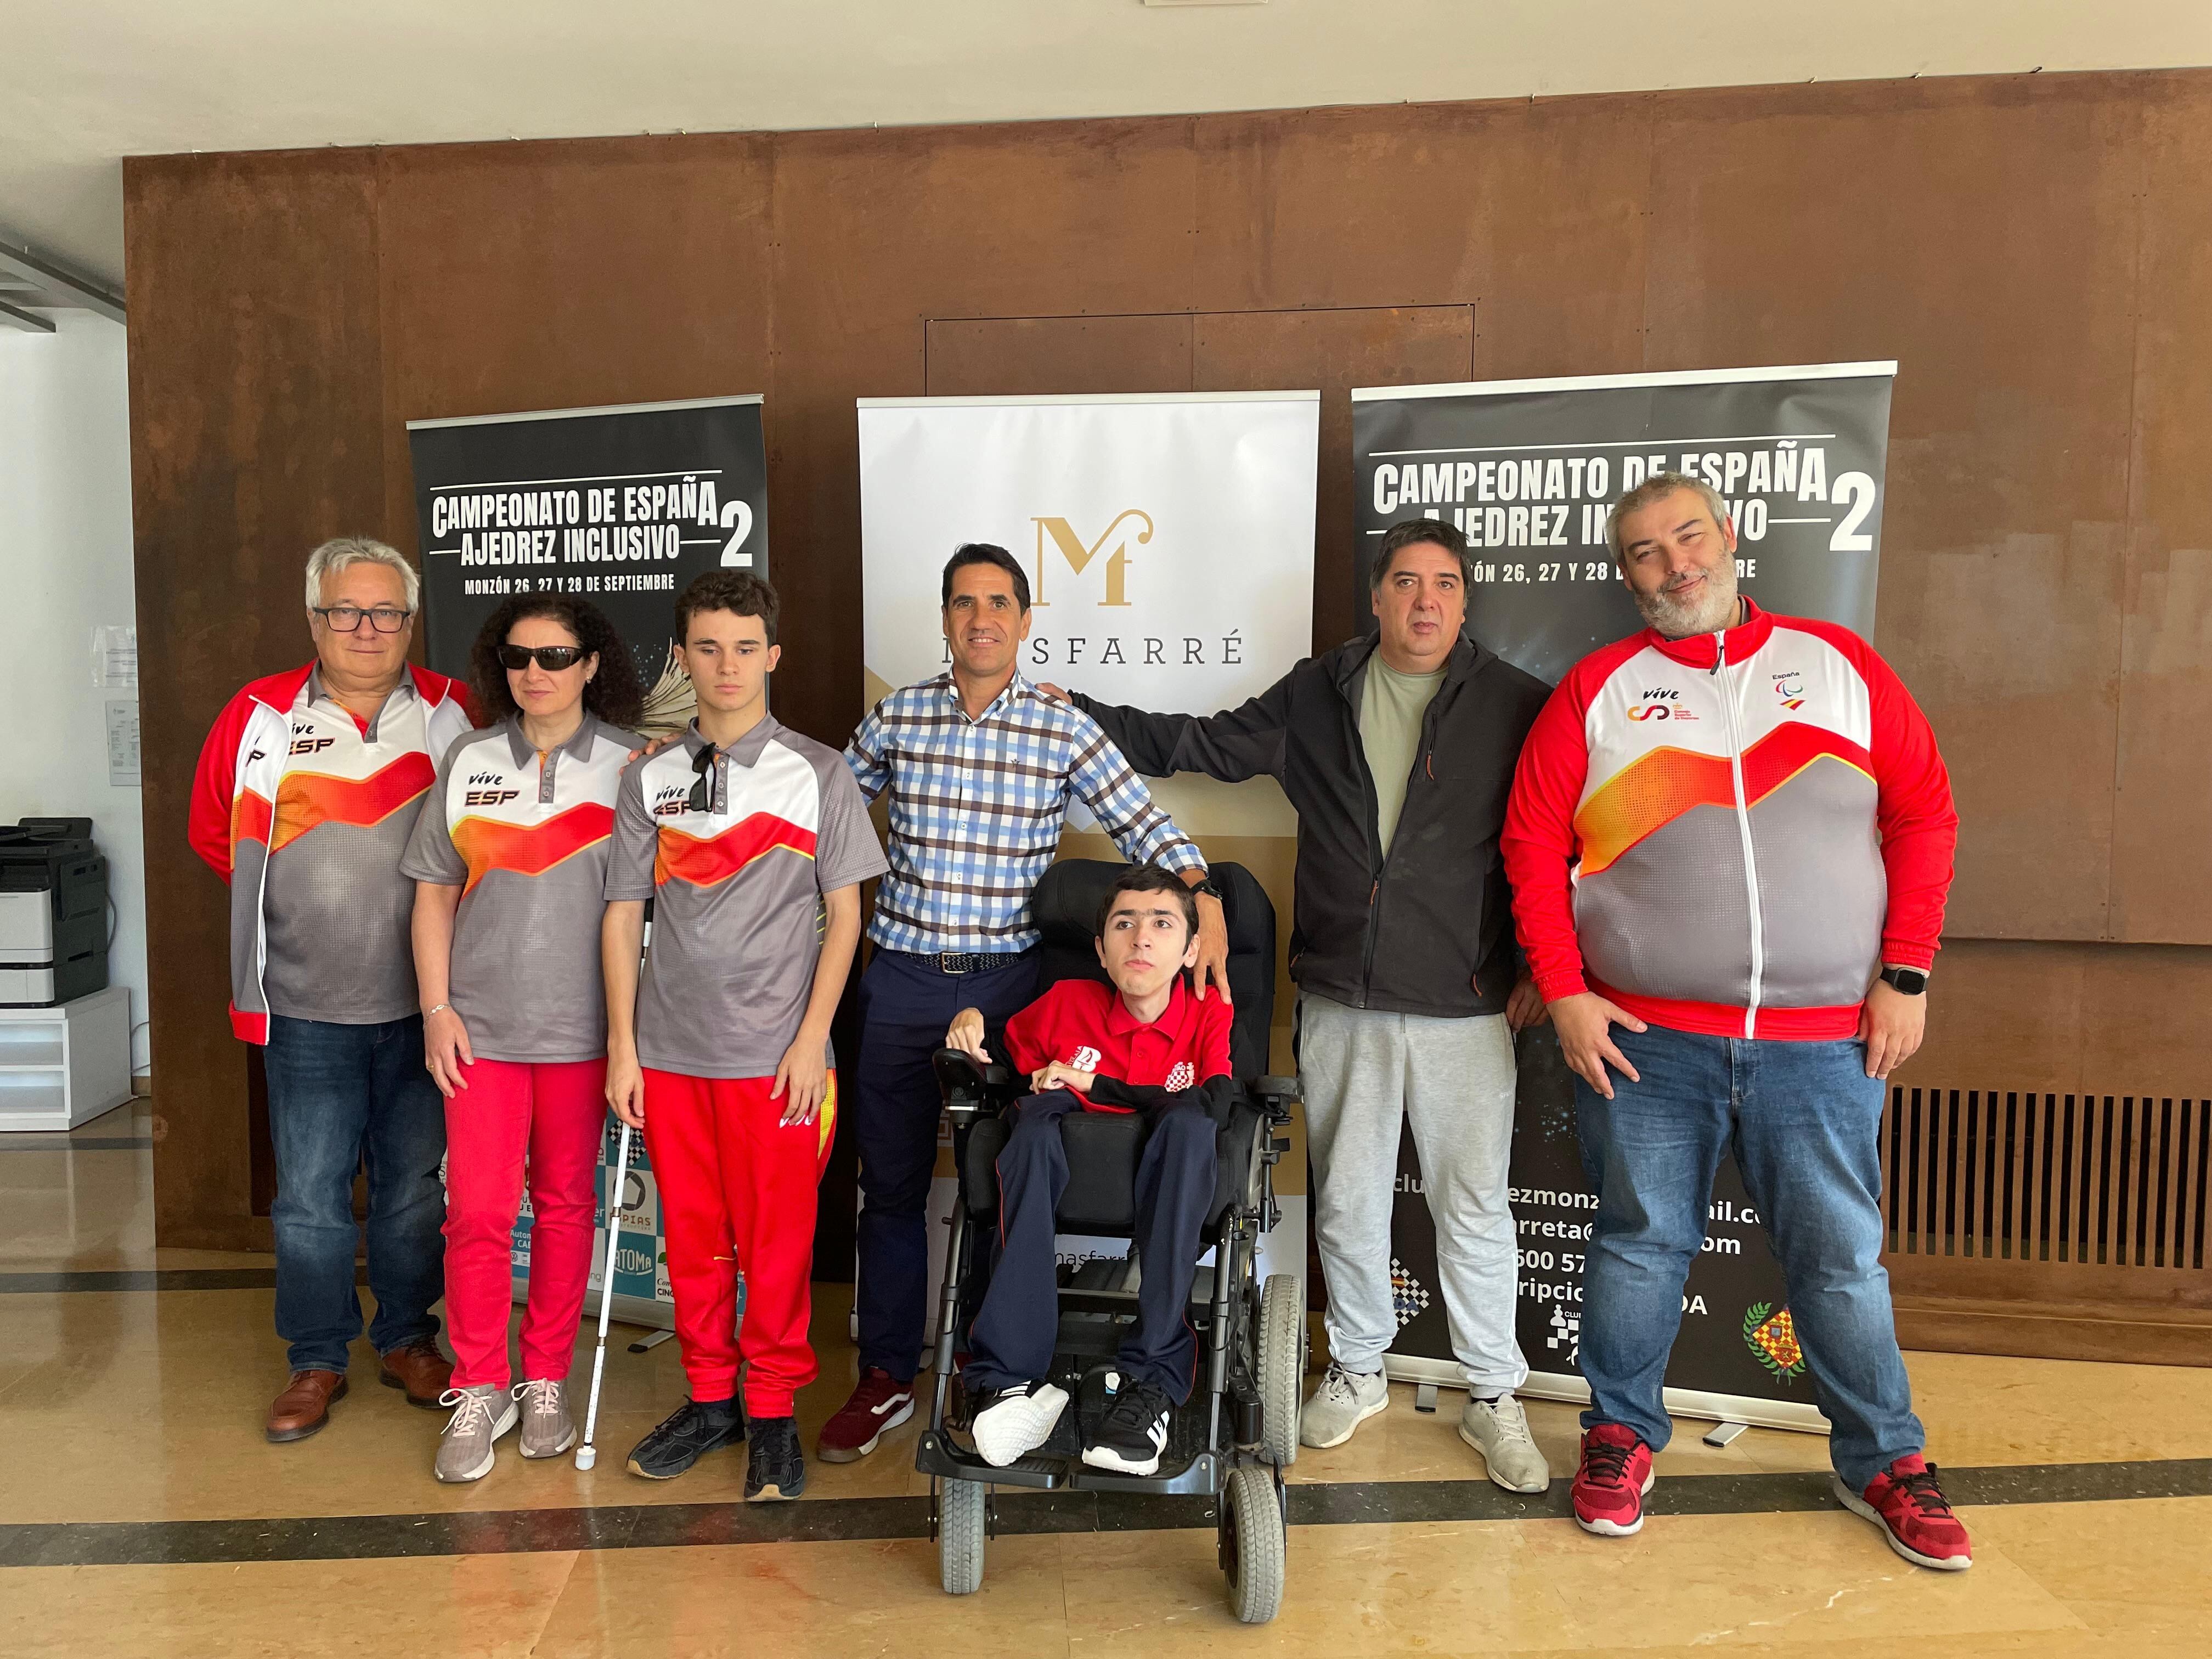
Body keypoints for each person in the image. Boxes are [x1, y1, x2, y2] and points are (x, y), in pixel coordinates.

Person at [1502, 472, 1969, 1568]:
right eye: (1647, 554)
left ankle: (1884, 1462)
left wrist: (1906, 973)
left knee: (1840, 1261)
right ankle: (1618, 1437)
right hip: (1646, 1044)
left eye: (1690, 538)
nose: (1676, 567)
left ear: (1731, 537)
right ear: (1625, 577)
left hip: (1825, 1046)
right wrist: (1565, 992)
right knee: (1638, 1244)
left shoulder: (1836, 667)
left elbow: (1925, 812)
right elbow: (1532, 845)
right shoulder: (1598, 691)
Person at [1053, 518, 1554, 1492]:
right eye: (1405, 581)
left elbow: (1555, 840)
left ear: (1464, 600)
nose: (1424, 600)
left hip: (1463, 1005)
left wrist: (1547, 966)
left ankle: (1495, 1392)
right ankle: (1359, 1366)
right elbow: (1201, 743)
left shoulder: (1516, 705)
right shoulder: (1319, 693)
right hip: (1341, 995)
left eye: (1444, 583)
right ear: (1375, 596)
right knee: (1350, 1198)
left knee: (1473, 1206)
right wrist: (1081, 712)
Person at [821, 543, 1227, 1465]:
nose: (981, 618)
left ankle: (985, 1370)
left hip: (1007, 987)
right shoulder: (898, 715)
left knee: (1000, 1179)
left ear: (1025, 619)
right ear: (944, 618)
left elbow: (1142, 820)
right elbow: (824, 811)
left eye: (999, 602)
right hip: (902, 974)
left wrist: (1201, 892)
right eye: (964, 602)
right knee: (886, 1186)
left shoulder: (1059, 724)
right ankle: (887, 1373)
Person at [602, 571, 887, 1501]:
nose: (726, 665)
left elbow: (844, 919)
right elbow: (622, 913)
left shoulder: (818, 771)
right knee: (691, 1242)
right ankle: (710, 1397)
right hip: (671, 1056)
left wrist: (812, 1040)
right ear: (684, 656)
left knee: (774, 1247)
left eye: (744, 646)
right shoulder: (649, 775)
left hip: (777, 1062)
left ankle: (771, 1414)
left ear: (774, 653)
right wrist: (622, 1045)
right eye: (707, 647)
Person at [188, 537, 472, 1442]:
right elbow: (212, 834)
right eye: (345, 610)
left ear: (409, 621)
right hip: (302, 1006)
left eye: (384, 611)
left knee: (414, 1186)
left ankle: (404, 1337)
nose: (365, 627)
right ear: (314, 617)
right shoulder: (257, 715)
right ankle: (315, 1356)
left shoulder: (454, 712)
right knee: (309, 1192)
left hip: (426, 1006)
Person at [400, 595, 644, 1482]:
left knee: (569, 1205)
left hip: (583, 1034)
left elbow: (649, 910)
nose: (534, 671)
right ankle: (480, 1382)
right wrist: (437, 1008)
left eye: (555, 654)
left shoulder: (632, 764)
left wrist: (631, 1035)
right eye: (517, 655)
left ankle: (544, 1375)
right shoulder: (467, 757)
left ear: (591, 664)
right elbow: (432, 888)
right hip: (482, 1032)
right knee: (476, 1213)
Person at [947, 866, 1235, 1476]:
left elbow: (1212, 1103)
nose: (1141, 939)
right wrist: (969, 1017)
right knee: (1029, 1123)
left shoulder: (1206, 1015)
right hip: (1060, 1172)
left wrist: (1094, 1083)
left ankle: (1152, 1382)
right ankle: (1014, 1385)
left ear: (1189, 951)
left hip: (1162, 1173)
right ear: (1101, 950)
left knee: (1188, 1125)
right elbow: (995, 1052)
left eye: (1162, 925)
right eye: (1123, 925)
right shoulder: (1065, 1004)